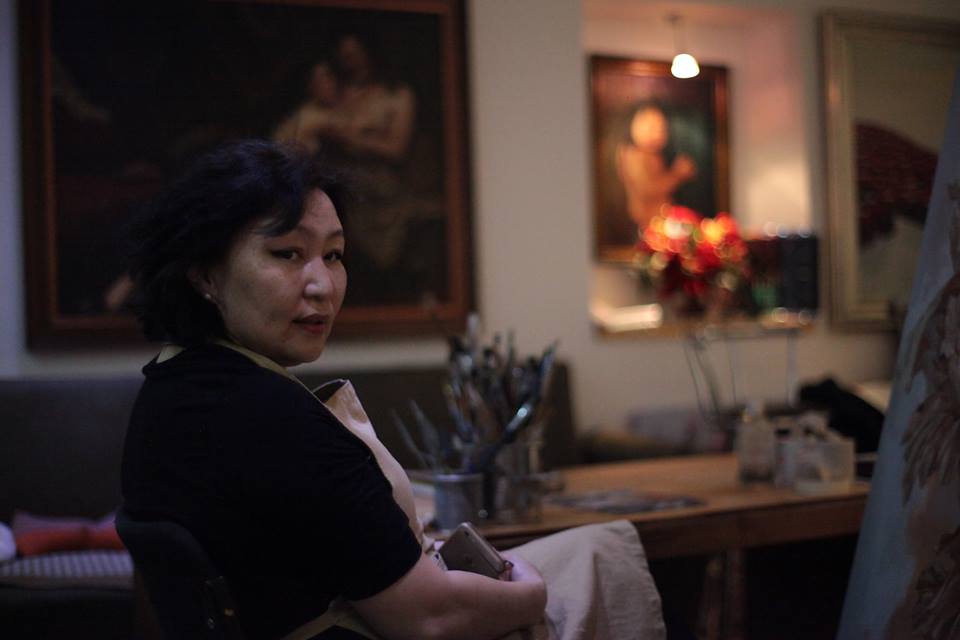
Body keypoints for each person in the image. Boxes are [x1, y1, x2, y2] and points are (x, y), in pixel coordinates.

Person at [120, 140, 547, 640]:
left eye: (334, 255)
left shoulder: (171, 386)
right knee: (603, 552)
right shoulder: (274, 421)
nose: (322, 285)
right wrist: (534, 591)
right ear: (205, 274)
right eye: (287, 253)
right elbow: (429, 620)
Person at [616, 104, 697, 232]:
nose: (657, 134)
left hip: (662, 220)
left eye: (662, 129)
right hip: (645, 222)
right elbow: (648, 189)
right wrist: (677, 174)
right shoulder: (633, 155)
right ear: (635, 126)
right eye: (651, 128)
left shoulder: (654, 155)